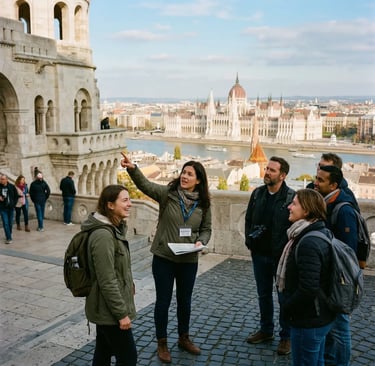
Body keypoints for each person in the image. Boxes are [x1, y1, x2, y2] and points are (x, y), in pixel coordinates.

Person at [121, 153, 212, 364]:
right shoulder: (168, 194)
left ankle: (184, 338)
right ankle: (162, 342)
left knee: (184, 301)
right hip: (164, 258)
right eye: (183, 172)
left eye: (190, 174)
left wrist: (201, 241)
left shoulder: (204, 203)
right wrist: (132, 168)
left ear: (198, 180)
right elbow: (145, 185)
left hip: (188, 259)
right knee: (163, 301)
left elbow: (206, 229)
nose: (184, 176)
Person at [277, 188, 336, 366]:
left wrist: (287, 307)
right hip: (321, 315)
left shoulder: (308, 242)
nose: (289, 207)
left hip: (308, 319)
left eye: (294, 204)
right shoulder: (319, 232)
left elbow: (308, 288)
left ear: (307, 210)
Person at [244, 156, 295, 356]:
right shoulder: (257, 194)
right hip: (260, 255)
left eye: (272, 170)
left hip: (281, 258)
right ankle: (266, 330)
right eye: (267, 169)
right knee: (263, 295)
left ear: (282, 175)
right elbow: (248, 219)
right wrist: (250, 242)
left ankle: (286, 337)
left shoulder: (291, 197)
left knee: (284, 297)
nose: (267, 172)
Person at [83, 185, 137, 366]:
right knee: (128, 358)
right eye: (125, 200)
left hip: (106, 307)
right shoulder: (103, 236)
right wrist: (122, 314)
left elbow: (117, 268)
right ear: (110, 205)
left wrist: (130, 284)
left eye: (129, 199)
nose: (130, 204)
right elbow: (107, 280)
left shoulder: (114, 229)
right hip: (110, 311)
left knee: (103, 352)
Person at [314, 165, 356, 366]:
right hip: (325, 277)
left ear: (333, 185)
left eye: (321, 180)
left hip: (338, 279)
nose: (316, 182)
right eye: (316, 178)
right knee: (329, 327)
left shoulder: (343, 210)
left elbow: (348, 253)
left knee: (340, 328)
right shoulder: (324, 203)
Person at [0, 175, 18, 244]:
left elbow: (16, 196)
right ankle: (9, 238)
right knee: (6, 223)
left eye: (3, 179)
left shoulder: (12, 186)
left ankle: (9, 234)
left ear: (7, 179)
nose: (2, 180)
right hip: (3, 208)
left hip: (11, 208)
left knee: (10, 223)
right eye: (1, 179)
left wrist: (14, 204)